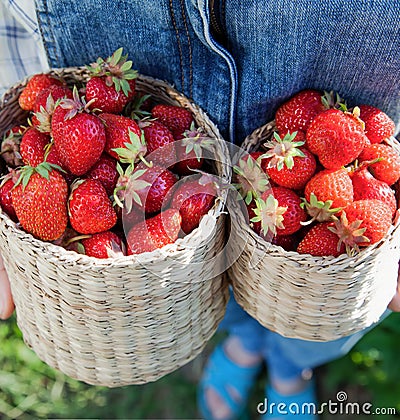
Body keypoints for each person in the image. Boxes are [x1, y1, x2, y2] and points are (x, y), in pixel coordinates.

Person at [0, 1, 399, 419]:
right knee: (202, 288)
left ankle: (292, 367)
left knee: (318, 303)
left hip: (307, 128)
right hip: (167, 128)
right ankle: (243, 346)